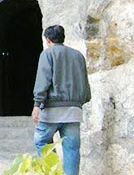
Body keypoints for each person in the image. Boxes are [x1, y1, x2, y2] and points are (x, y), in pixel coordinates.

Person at [31, 25, 91, 175]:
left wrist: (37, 104)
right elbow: (85, 84)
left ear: (48, 40)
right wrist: (80, 102)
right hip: (74, 112)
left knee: (42, 142)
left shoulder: (48, 54)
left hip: (52, 111)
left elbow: (43, 80)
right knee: (72, 149)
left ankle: (52, 172)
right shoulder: (78, 55)